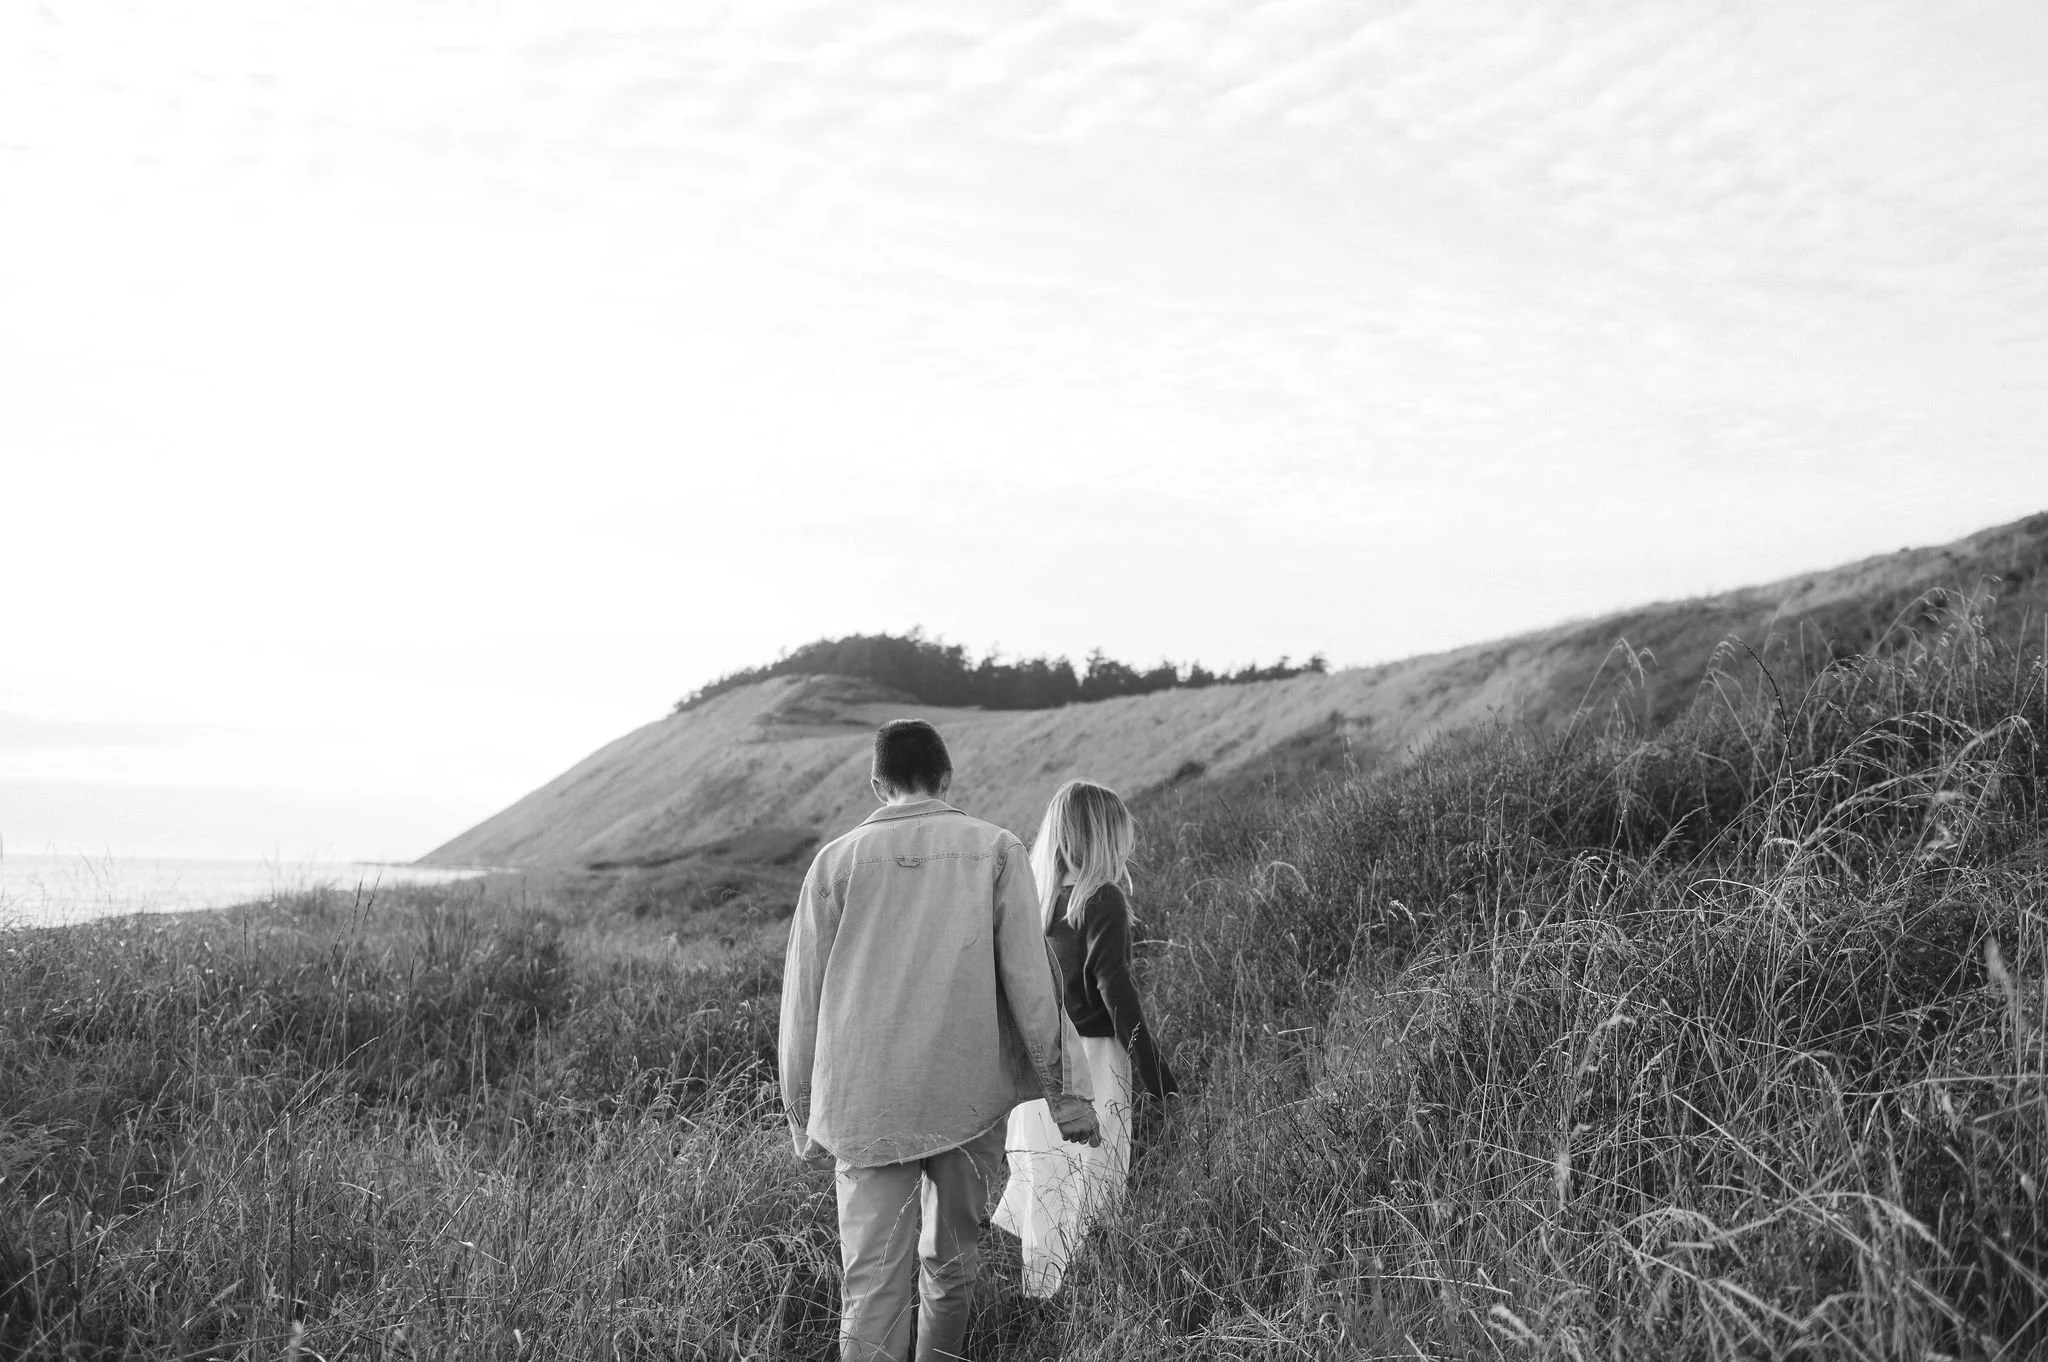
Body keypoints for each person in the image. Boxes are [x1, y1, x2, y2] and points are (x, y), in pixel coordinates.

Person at [779, 719, 1101, 1362]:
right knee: (952, 1270)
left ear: (877, 784)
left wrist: (800, 1110)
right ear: (948, 776)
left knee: (869, 1286)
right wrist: (1069, 1099)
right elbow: (1033, 985)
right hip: (966, 1092)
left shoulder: (833, 863)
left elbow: (801, 1003)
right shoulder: (997, 850)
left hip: (865, 1106)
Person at [993, 778, 1179, 1297]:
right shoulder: (1104, 899)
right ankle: (1094, 1299)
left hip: (1039, 1064)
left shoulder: (1035, 900)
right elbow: (1115, 988)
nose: (1127, 847)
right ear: (1102, 838)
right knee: (1097, 1180)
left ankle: (1041, 1298)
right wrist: (1156, 1073)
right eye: (1121, 835)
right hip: (1095, 1060)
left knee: (1048, 1186)